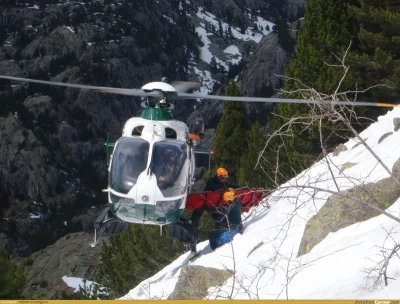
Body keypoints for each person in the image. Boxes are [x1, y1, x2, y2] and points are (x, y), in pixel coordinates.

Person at [189, 167, 242, 253]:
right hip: (212, 207)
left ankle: (227, 236)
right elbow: (216, 191)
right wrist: (228, 193)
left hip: (220, 207)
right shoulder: (212, 182)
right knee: (219, 222)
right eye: (222, 177)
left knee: (224, 222)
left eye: (225, 177)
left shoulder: (223, 183)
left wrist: (238, 189)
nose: (223, 179)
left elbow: (229, 187)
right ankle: (217, 242)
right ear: (217, 176)